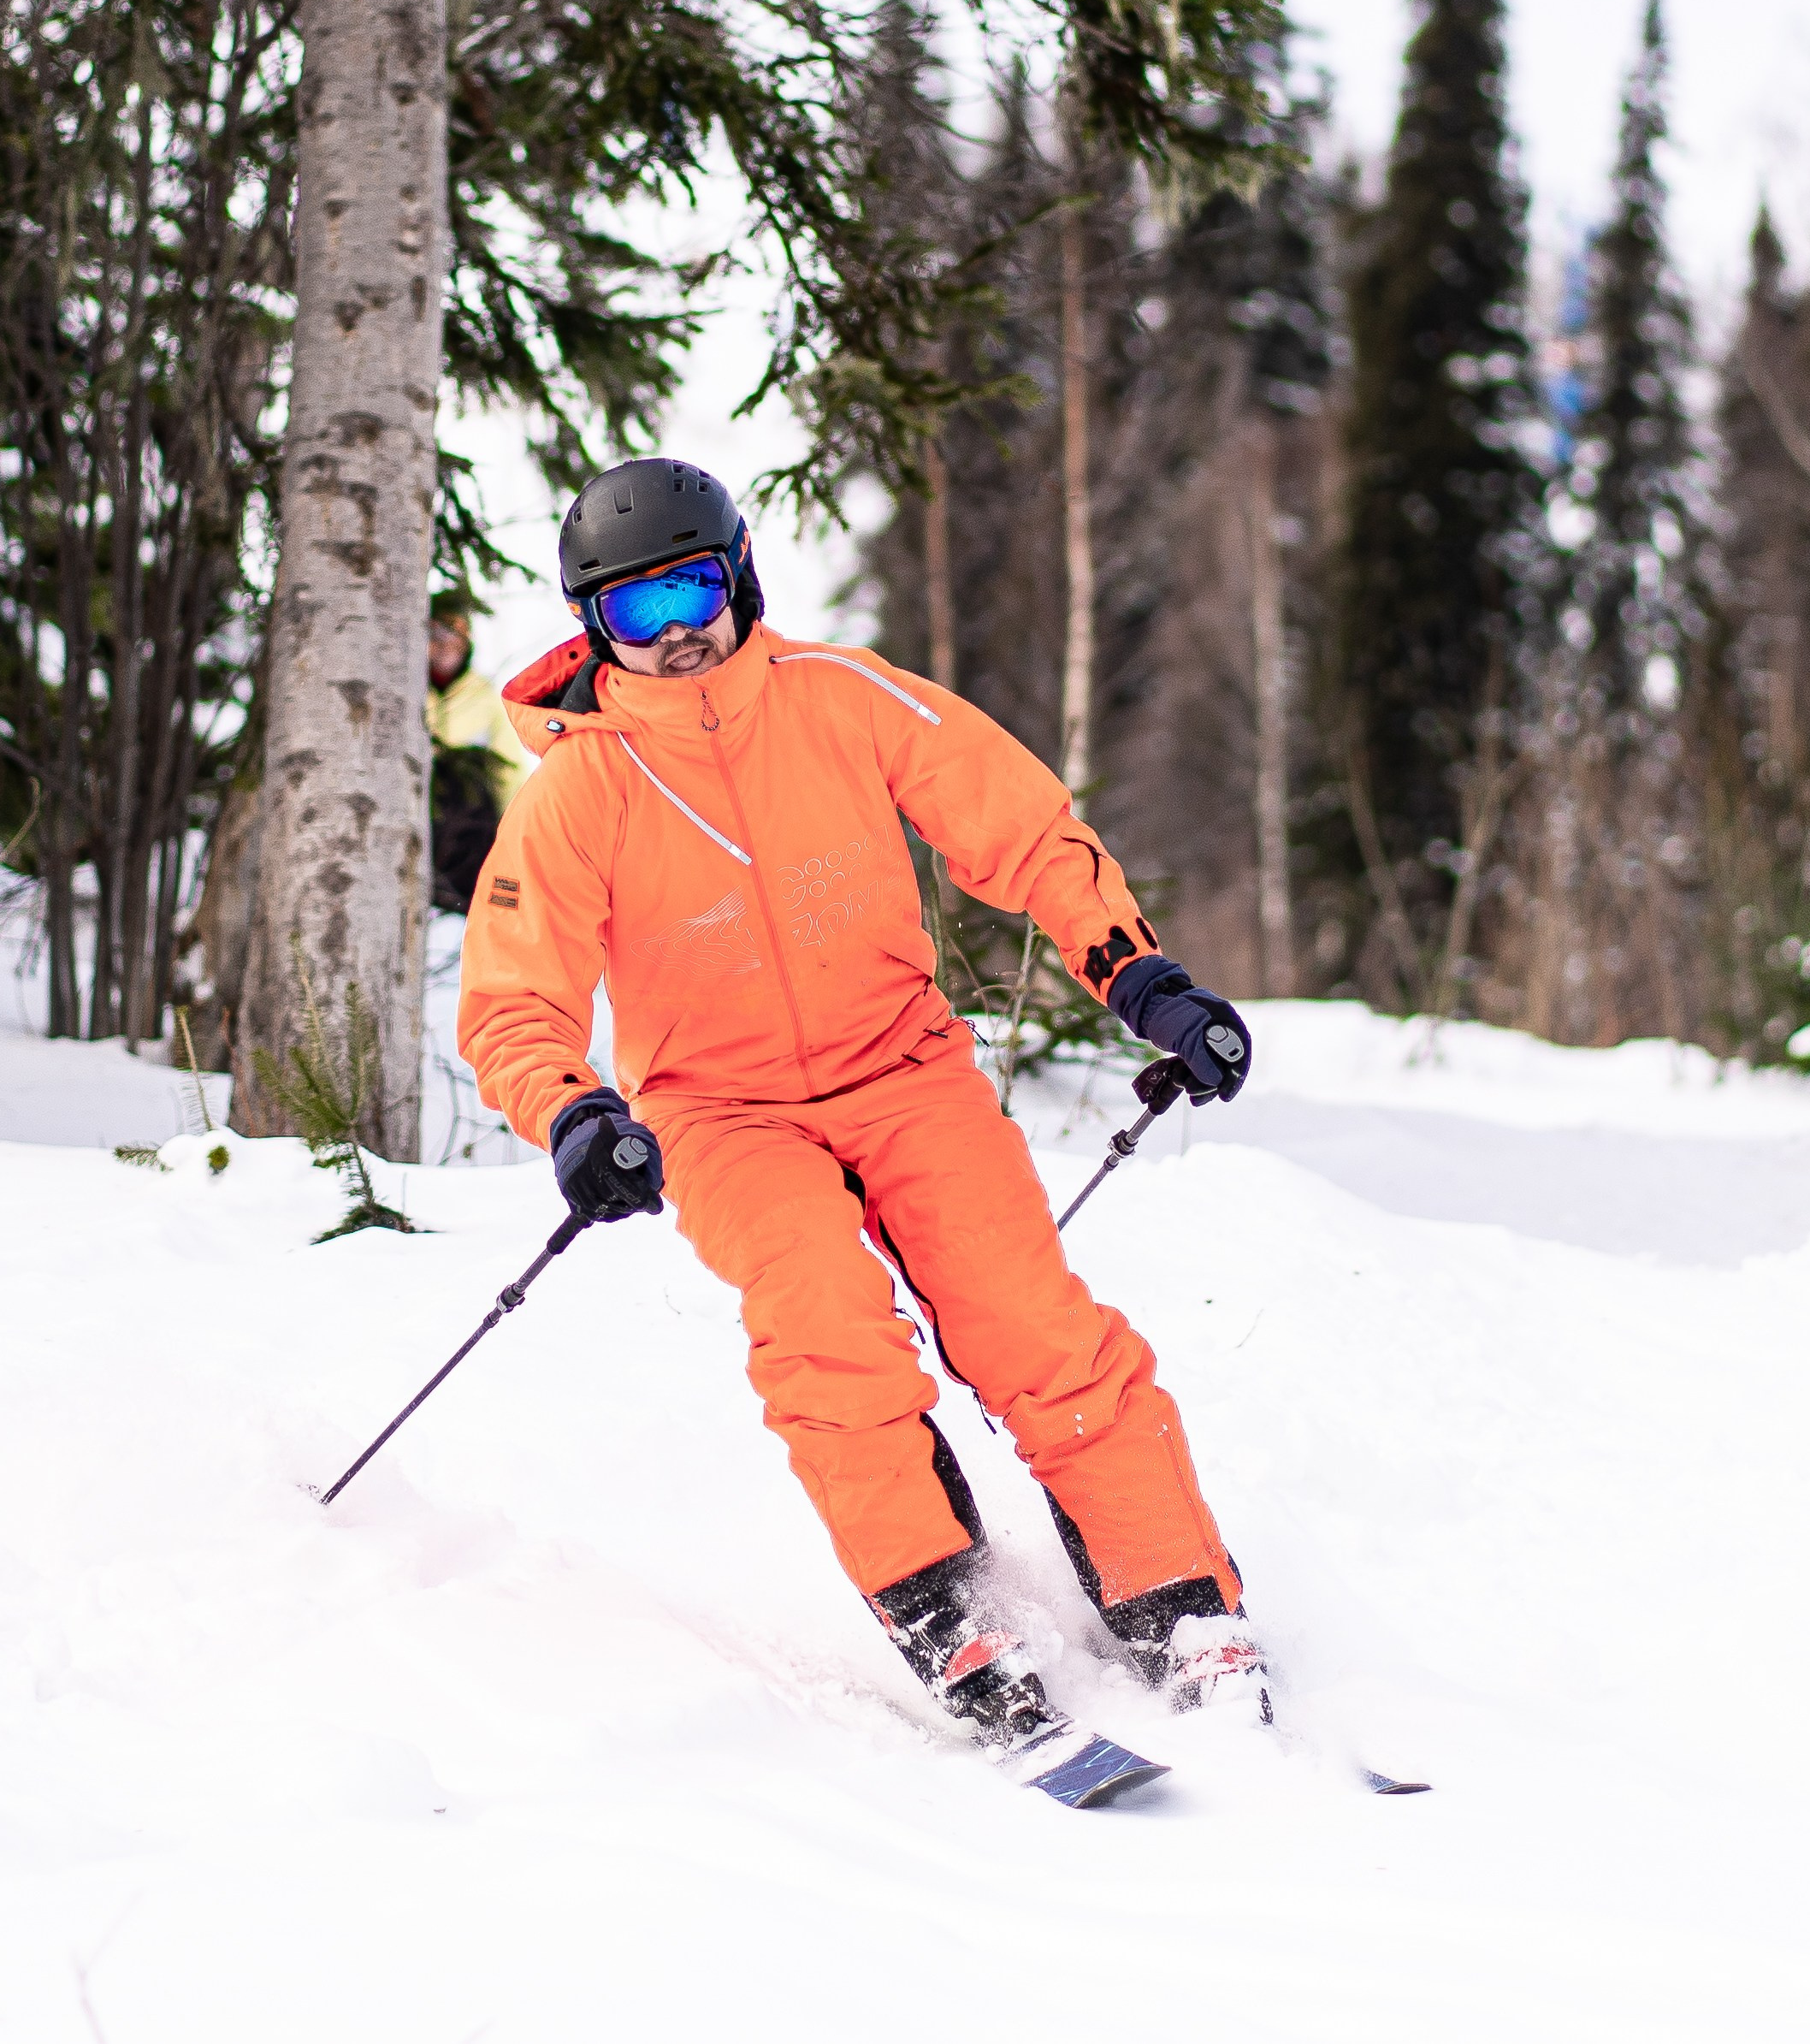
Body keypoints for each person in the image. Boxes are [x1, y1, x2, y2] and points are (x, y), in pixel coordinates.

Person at [458, 456, 1264, 1752]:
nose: (673, 634)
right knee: (824, 1330)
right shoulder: (577, 793)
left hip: (902, 1067)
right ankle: (946, 1606)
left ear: (737, 580)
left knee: (1030, 1323)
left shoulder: (842, 699)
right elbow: (511, 999)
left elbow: (1022, 827)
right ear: (591, 626)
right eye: (634, 609)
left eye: (691, 589)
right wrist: (570, 1112)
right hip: (720, 1110)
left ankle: (1179, 1599)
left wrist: (1140, 974)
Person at [427, 595, 529, 914]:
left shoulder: (485, 697)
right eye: (435, 635)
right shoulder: (402, 690)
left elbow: (508, 768)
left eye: (453, 636)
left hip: (468, 823)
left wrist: (515, 828)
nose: (444, 646)